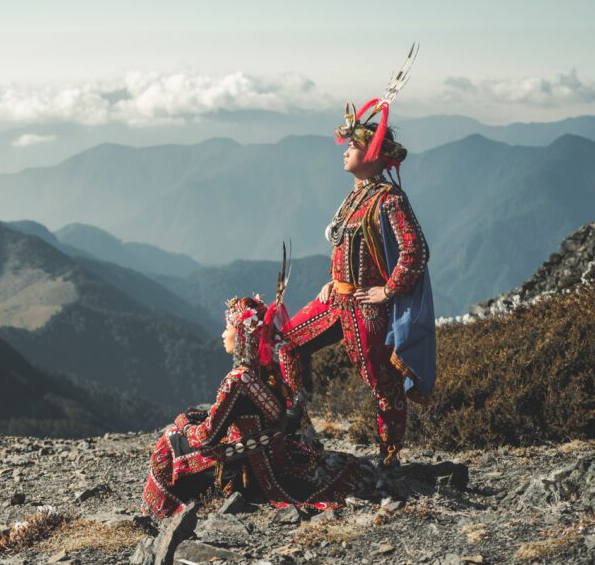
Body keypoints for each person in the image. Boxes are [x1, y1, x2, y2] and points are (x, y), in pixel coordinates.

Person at [277, 44, 436, 468]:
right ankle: (300, 433)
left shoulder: (388, 199)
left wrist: (388, 291)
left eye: (351, 146)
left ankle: (389, 460)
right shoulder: (357, 197)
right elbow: (348, 245)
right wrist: (334, 278)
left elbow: (415, 250)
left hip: (366, 308)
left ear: (370, 155)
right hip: (338, 299)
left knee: (383, 383)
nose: (344, 151)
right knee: (287, 345)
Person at [141, 285, 363, 521]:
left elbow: (206, 436)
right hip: (273, 459)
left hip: (245, 470)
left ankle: (157, 514)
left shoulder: (237, 380)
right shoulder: (274, 370)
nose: (223, 335)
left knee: (170, 441)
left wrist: (183, 424)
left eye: (227, 328)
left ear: (241, 335)